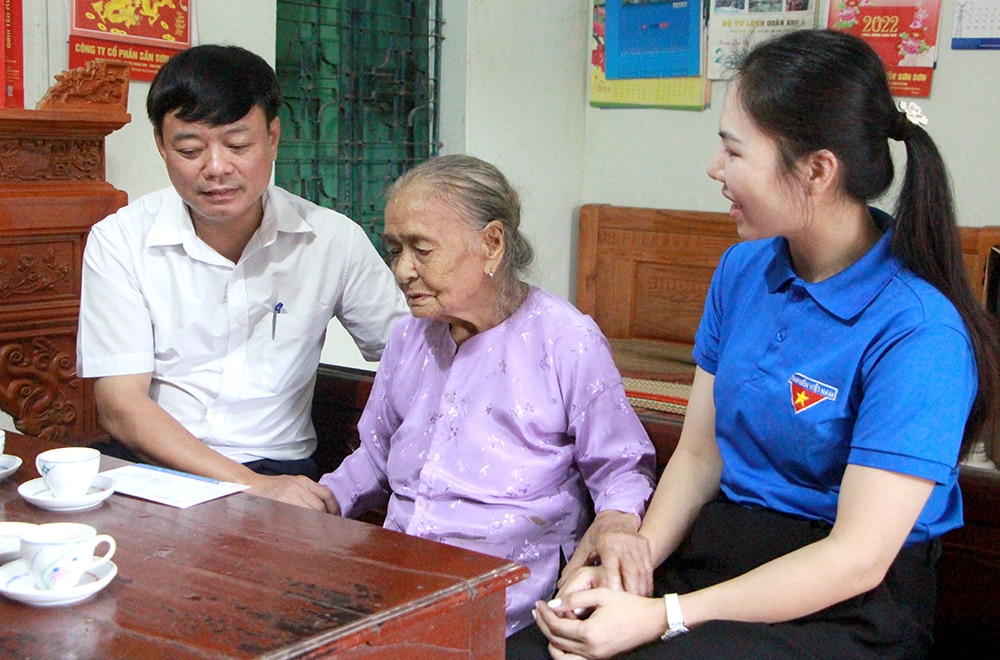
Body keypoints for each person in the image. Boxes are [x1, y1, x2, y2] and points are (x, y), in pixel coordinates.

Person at [531, 29, 1000, 658]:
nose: (715, 168)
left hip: (847, 604)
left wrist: (661, 616)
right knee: (541, 645)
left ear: (816, 171)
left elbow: (857, 558)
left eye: (734, 151)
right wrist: (630, 570)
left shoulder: (920, 332)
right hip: (720, 556)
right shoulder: (742, 271)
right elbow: (699, 460)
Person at [317, 154, 657, 637]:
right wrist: (322, 499)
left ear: (492, 244)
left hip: (507, 604)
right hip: (397, 582)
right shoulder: (409, 338)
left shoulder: (564, 340)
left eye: (422, 249)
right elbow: (375, 457)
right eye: (395, 249)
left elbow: (620, 463)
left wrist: (618, 522)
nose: (402, 270)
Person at [76, 45, 408, 512]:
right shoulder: (121, 240)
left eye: (238, 145)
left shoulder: (331, 240)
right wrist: (248, 485)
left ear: (273, 137)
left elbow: (410, 354)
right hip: (153, 466)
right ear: (161, 145)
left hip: (277, 469)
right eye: (190, 149)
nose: (216, 168)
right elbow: (120, 405)